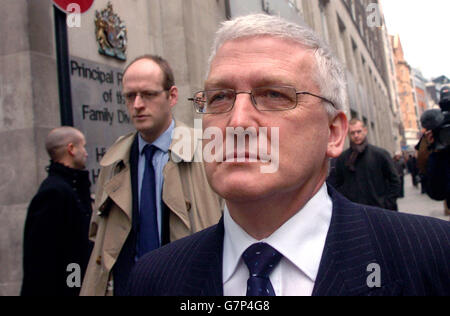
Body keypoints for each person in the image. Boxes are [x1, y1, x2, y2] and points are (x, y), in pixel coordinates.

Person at [126, 14, 450, 296]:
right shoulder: (154, 279)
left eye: (273, 95)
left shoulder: (431, 257)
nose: (236, 121)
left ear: (334, 133)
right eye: (219, 97)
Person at [80, 55, 223, 296]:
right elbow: (102, 242)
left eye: (148, 94)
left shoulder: (207, 150)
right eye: (129, 96)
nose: (137, 105)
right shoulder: (114, 160)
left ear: (172, 96)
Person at [21, 127, 93, 296]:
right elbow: (45, 258)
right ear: (71, 149)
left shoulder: (72, 188)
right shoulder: (54, 193)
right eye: (83, 146)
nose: (86, 153)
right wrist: (74, 288)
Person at [334, 118, 401, 211]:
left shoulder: (380, 154)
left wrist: (387, 204)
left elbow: (395, 181)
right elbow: (336, 184)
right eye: (352, 133)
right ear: (348, 134)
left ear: (365, 131)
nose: (356, 135)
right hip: (355, 213)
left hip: (380, 211)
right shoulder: (343, 158)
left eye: (358, 131)